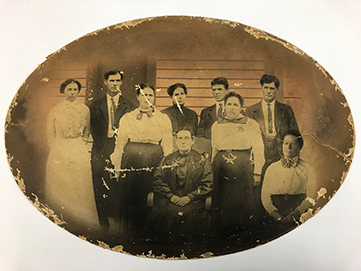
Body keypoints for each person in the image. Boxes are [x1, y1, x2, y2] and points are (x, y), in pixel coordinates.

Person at [110, 83, 173, 236]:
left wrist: (167, 168)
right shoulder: (128, 118)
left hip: (154, 159)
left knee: (151, 195)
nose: (147, 98)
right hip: (132, 160)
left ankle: (150, 231)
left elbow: (168, 145)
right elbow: (120, 144)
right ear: (137, 97)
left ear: (154, 97)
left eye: (150, 95)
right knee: (132, 195)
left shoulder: (163, 118)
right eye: (143, 95)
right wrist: (118, 166)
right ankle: (132, 231)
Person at [45, 79, 99, 231]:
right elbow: (50, 133)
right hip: (59, 147)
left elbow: (87, 131)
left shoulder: (84, 109)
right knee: (61, 181)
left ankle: (80, 217)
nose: (73, 93)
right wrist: (56, 149)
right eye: (69, 89)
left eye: (75, 89)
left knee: (79, 182)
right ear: (63, 91)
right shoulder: (55, 110)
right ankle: (60, 217)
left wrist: (81, 145)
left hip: (78, 146)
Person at [245, 74, 299, 219]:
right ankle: (258, 223)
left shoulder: (286, 110)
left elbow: (295, 134)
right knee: (258, 189)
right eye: (266, 88)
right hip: (259, 155)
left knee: (278, 187)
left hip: (279, 154)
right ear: (261, 88)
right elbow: (247, 137)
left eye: (272, 89)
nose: (269, 91)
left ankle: (277, 220)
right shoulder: (251, 111)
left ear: (277, 90)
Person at [211, 92, 265, 235]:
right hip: (221, 167)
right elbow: (214, 149)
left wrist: (257, 171)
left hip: (242, 166)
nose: (232, 107)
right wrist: (211, 170)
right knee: (221, 201)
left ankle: (242, 234)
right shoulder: (216, 125)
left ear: (241, 107)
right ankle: (221, 234)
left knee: (241, 200)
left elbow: (259, 148)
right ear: (224, 105)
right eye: (229, 104)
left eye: (235, 104)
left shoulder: (250, 124)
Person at [145, 129, 213, 239]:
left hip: (193, 201)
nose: (183, 141)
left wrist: (189, 197)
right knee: (167, 214)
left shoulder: (202, 161)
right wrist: (171, 196)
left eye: (186, 138)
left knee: (188, 215)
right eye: (180, 138)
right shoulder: (167, 159)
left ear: (193, 140)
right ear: (176, 141)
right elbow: (158, 181)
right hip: (169, 199)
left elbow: (207, 184)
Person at [89, 70, 135, 230]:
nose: (115, 84)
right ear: (105, 82)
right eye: (112, 80)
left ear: (121, 83)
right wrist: (105, 135)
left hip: (120, 148)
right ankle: (103, 224)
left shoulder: (129, 105)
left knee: (117, 184)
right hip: (101, 149)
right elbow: (92, 130)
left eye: (118, 81)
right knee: (100, 184)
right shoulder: (95, 106)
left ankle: (117, 222)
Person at [261, 130, 317, 233]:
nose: (289, 147)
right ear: (281, 146)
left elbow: (311, 196)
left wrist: (295, 214)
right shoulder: (271, 168)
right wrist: (275, 215)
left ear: (300, 147)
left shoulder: (308, 169)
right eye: (286, 143)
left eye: (293, 144)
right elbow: (265, 197)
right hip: (274, 216)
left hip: (298, 215)